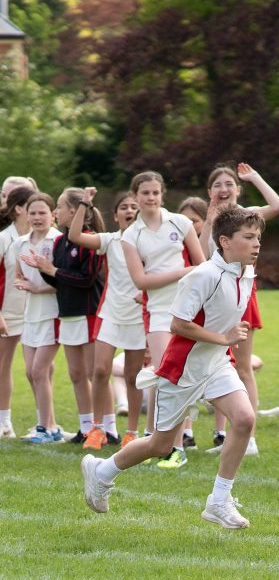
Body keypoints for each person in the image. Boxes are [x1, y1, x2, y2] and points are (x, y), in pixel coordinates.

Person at [81, 206, 265, 529]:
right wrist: (222, 337)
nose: (256, 243)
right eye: (248, 237)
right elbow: (179, 325)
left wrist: (222, 343)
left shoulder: (246, 272)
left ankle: (219, 500)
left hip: (216, 364)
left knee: (245, 418)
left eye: (258, 237)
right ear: (224, 241)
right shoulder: (203, 275)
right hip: (181, 370)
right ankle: (101, 471)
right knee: (160, 445)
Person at [199, 163, 279, 456]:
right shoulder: (211, 220)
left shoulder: (247, 216)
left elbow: (278, 205)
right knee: (219, 366)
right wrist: (209, 220)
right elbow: (200, 256)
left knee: (242, 366)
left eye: (229, 184)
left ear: (237, 189)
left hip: (241, 295)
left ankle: (249, 440)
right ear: (209, 191)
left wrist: (255, 177)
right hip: (214, 300)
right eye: (217, 185)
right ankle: (224, 436)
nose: (223, 190)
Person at [122, 171, 204, 467]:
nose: (151, 198)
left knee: (179, 378)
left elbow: (202, 264)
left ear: (162, 194)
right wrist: (182, 272)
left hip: (187, 308)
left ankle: (177, 448)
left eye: (156, 192)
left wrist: (187, 274)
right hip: (158, 311)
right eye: (145, 193)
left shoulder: (180, 223)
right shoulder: (131, 235)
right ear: (135, 196)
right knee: (163, 375)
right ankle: (157, 443)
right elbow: (141, 280)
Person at [22, 188, 106, 445]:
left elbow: (87, 279)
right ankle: (84, 428)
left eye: (59, 206)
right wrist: (43, 269)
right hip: (67, 313)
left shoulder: (90, 240)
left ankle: (102, 429)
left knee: (95, 373)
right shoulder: (59, 242)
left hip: (88, 312)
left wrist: (53, 270)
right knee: (76, 374)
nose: (56, 212)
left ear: (74, 211)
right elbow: (59, 281)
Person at [68, 188, 145, 448]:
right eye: (124, 207)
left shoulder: (148, 242)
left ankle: (132, 432)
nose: (129, 211)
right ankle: (97, 430)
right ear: (115, 214)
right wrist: (84, 205)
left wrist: (145, 294)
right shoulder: (110, 240)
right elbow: (75, 235)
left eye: (134, 207)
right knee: (100, 370)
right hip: (110, 314)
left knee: (134, 376)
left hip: (137, 316)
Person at [12, 193, 62, 442]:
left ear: (53, 214)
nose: (37, 217)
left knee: (39, 370)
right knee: (31, 373)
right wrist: (22, 283)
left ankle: (46, 429)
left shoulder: (58, 241)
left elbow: (62, 282)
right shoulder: (20, 243)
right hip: (30, 314)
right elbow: (19, 274)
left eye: (43, 212)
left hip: (52, 313)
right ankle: (49, 425)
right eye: (33, 213)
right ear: (26, 214)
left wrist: (38, 286)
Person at [0, 185, 37, 438]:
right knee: (4, 365)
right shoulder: (4, 238)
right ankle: (4, 423)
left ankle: (45, 423)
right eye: (31, 206)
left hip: (35, 312)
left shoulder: (42, 237)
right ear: (19, 209)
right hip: (7, 311)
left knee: (38, 369)